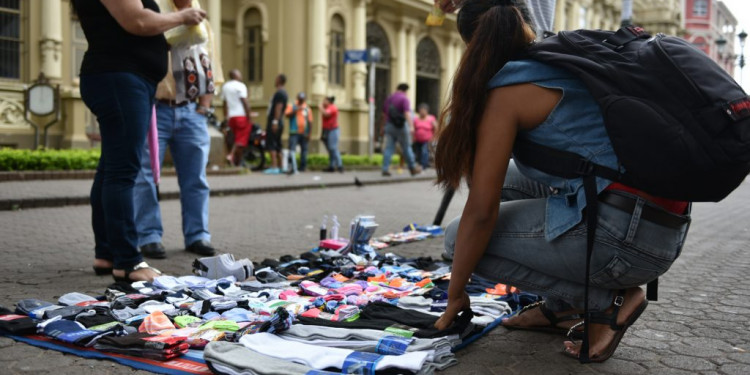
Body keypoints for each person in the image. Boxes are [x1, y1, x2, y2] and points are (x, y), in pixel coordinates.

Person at [432, 0, 690, 363]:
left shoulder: (507, 92)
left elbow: (480, 213)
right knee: (501, 180)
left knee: (459, 240)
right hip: (663, 225)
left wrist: (455, 292)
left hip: (629, 243)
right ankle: (562, 307)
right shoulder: (561, 57)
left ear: (475, 46)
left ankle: (608, 302)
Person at [73, 0, 205, 282]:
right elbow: (138, 22)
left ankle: (107, 253)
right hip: (120, 78)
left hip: (126, 78)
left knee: (111, 168)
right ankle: (128, 261)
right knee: (123, 172)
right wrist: (182, 16)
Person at [133, 0, 222, 259]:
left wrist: (203, 109)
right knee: (146, 175)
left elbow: (213, 66)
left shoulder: (203, 22)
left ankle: (198, 235)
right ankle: (149, 236)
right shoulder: (155, 11)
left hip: (191, 110)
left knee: (196, 178)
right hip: (155, 107)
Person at [381, 83, 421, 177]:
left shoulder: (389, 99)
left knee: (389, 148)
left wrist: (382, 127)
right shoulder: (404, 98)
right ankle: (412, 168)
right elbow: (407, 113)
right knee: (406, 147)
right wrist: (411, 126)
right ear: (405, 91)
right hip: (401, 127)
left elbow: (383, 115)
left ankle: (385, 168)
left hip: (389, 125)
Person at [221, 69, 251, 167]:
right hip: (241, 115)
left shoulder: (225, 86)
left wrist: (226, 117)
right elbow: (244, 101)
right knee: (241, 139)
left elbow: (224, 104)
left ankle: (236, 162)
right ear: (236, 76)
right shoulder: (241, 86)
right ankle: (231, 155)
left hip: (231, 116)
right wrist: (249, 115)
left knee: (232, 138)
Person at [264, 74, 289, 174]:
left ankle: (274, 166)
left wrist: (275, 121)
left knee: (271, 143)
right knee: (278, 144)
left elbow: (278, 107)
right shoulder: (284, 93)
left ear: (279, 80)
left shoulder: (280, 93)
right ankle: (281, 166)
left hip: (275, 121)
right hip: (279, 121)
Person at [285, 92, 314, 174]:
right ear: (297, 98)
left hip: (304, 132)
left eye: (303, 99)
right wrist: (297, 109)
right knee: (292, 149)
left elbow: (310, 122)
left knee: (304, 150)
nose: (301, 100)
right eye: (300, 99)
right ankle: (291, 167)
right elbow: (287, 115)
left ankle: (302, 167)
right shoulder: (292, 106)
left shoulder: (307, 108)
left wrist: (309, 134)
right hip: (294, 132)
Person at [320, 96, 343, 173]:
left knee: (333, 148)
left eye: (324, 100)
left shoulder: (332, 107)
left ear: (328, 101)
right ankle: (331, 166)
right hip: (326, 130)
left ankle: (340, 165)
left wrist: (320, 107)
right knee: (330, 149)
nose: (323, 102)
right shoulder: (327, 107)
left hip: (333, 130)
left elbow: (326, 114)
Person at [412, 103, 437, 170]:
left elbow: (436, 127)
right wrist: (413, 136)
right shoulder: (416, 119)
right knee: (418, 152)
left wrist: (434, 137)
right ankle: (420, 164)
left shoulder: (431, 118)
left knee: (424, 151)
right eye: (420, 110)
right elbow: (414, 128)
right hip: (418, 139)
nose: (422, 112)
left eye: (423, 110)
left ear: (427, 111)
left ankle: (423, 165)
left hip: (427, 140)